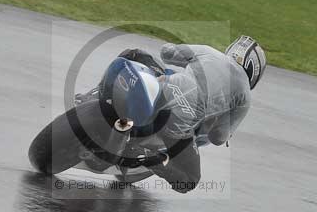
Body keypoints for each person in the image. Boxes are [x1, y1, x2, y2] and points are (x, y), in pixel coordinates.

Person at [96, 35, 266, 193]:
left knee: (134, 54)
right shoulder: (244, 96)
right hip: (180, 121)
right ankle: (144, 156)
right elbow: (218, 137)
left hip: (163, 88)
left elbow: (166, 52)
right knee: (190, 180)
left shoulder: (208, 51)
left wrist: (184, 56)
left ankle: (98, 94)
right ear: (255, 73)